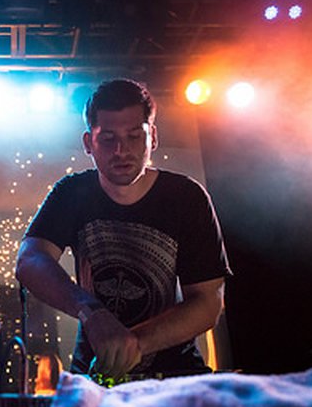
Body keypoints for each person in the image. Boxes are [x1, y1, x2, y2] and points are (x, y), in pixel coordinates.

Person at [16, 78, 230, 379]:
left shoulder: (187, 197)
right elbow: (29, 260)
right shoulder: (72, 192)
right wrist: (91, 312)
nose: (121, 150)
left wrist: (134, 343)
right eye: (108, 138)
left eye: (134, 136)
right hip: (94, 375)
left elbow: (208, 303)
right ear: (88, 143)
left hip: (174, 375)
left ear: (153, 138)